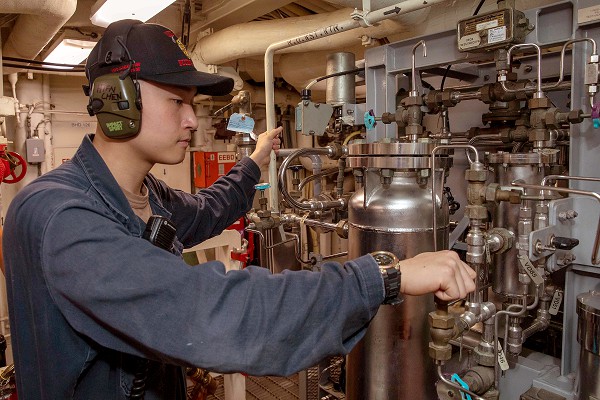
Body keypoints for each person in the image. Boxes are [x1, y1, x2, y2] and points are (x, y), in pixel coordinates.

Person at [2, 19, 476, 400]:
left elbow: (208, 210)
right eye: (176, 101)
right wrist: (384, 276)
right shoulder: (59, 216)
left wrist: (254, 162)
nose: (192, 119)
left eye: (193, 103)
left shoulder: (149, 196)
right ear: (115, 100)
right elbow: (213, 313)